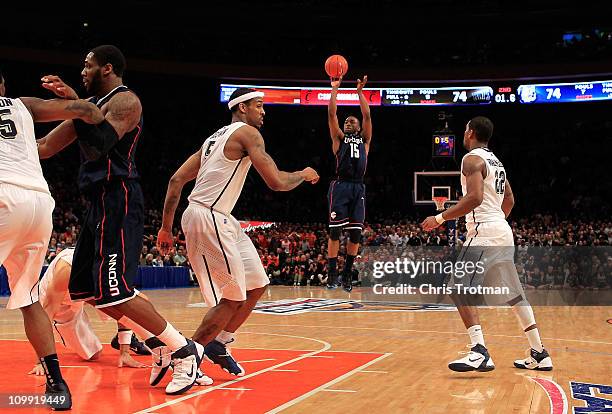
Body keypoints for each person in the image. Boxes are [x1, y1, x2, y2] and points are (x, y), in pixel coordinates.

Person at [36, 45, 204, 395]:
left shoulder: (126, 101)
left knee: (115, 293)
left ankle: (184, 351)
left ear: (107, 68)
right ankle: (159, 347)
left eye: (87, 65)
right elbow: (45, 147)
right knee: (88, 291)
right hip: (96, 203)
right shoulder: (89, 108)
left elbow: (99, 145)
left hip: (119, 198)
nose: (82, 72)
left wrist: (74, 103)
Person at [157, 87, 319, 376]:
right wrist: (304, 175)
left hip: (222, 218)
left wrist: (166, 229)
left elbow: (175, 180)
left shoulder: (212, 140)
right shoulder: (248, 133)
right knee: (231, 298)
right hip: (207, 216)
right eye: (259, 105)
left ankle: (219, 343)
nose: (264, 111)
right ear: (242, 108)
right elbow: (277, 182)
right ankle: (186, 357)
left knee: (257, 284)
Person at [1, 85, 106, 410]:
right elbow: (90, 113)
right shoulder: (24, 103)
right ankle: (56, 383)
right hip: (39, 203)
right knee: (29, 298)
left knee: (30, 298)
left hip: (3, 194)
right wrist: (76, 96)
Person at [421, 116, 553, 372]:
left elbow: (475, 197)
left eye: (464, 129)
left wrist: (439, 217)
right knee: (514, 294)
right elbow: (510, 199)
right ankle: (539, 352)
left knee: (458, 288)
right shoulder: (497, 163)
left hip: (485, 232)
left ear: (470, 132)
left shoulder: (471, 159)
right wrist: (497, 221)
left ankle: (479, 350)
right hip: (502, 231)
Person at [326, 75, 372, 291]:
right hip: (341, 186)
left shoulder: (365, 140)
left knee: (355, 234)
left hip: (358, 186)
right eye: (347, 121)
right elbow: (331, 114)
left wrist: (359, 92)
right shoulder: (339, 139)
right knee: (335, 232)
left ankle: (346, 274)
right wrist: (335, 89)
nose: (348, 121)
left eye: (352, 120)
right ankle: (332, 274)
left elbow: (367, 115)